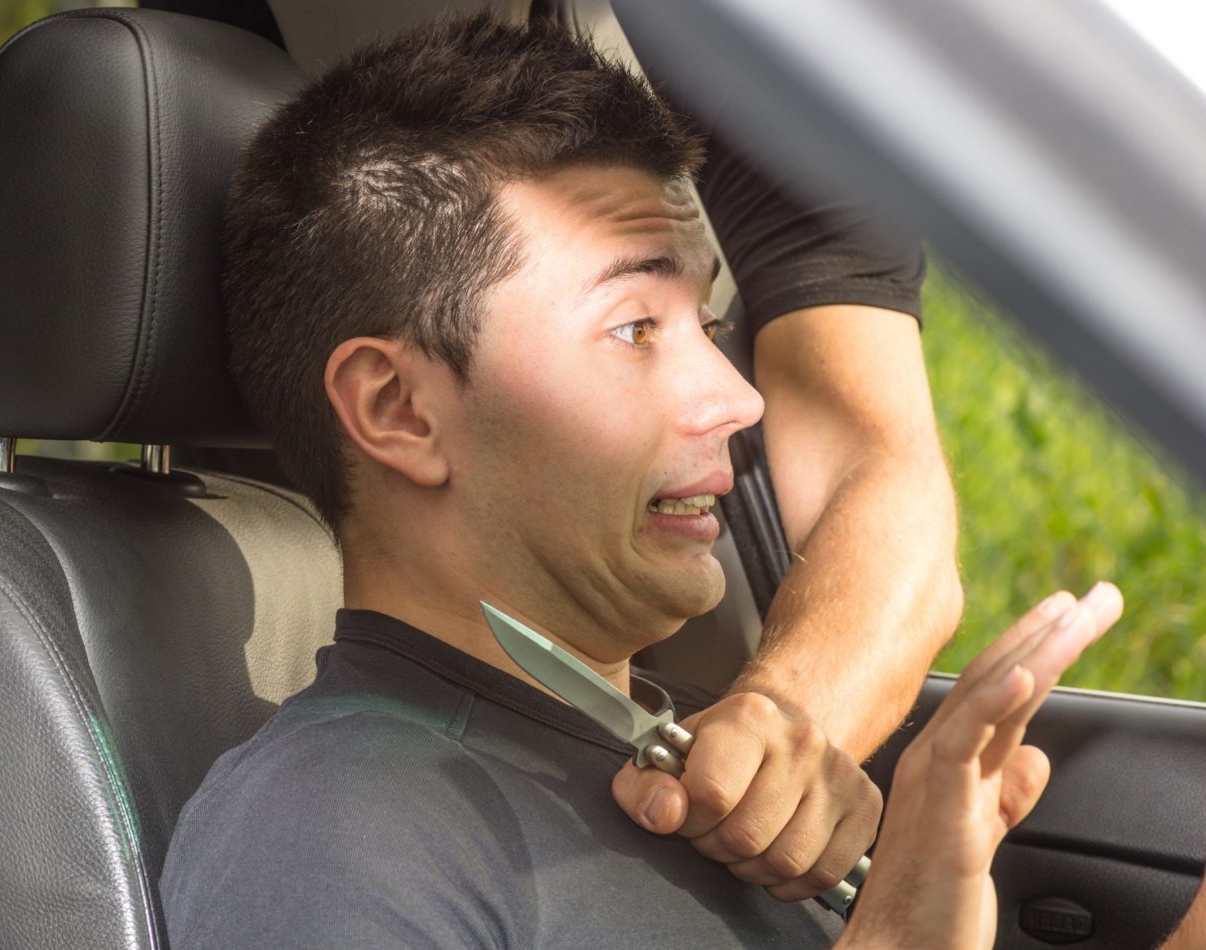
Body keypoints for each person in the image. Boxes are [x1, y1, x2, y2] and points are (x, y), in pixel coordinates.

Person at [159, 13, 1124, 947]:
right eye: (633, 329)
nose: (738, 401)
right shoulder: (337, 833)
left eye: (703, 327)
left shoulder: (679, 770)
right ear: (398, 409)